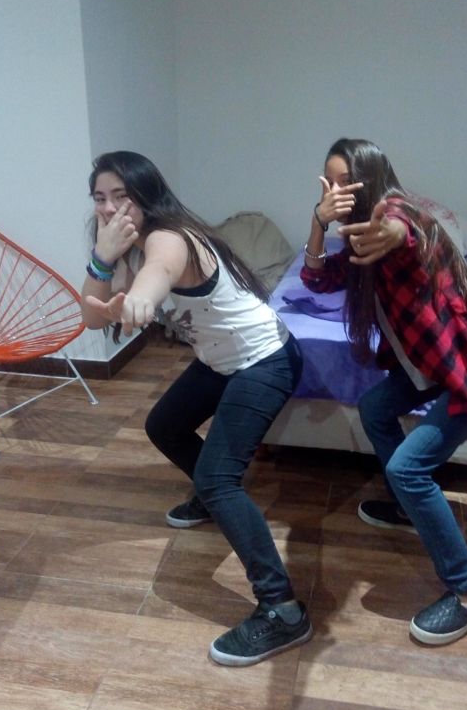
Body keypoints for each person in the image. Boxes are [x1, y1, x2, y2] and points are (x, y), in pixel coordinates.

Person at [81, 150, 312, 666]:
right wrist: (101, 258)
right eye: (99, 198)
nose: (109, 208)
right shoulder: (123, 245)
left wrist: (139, 299)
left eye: (121, 196)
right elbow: (92, 318)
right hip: (221, 360)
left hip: (265, 359)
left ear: (146, 195)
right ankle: (213, 500)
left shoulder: (168, 237)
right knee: (164, 426)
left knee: (217, 477)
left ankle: (283, 611)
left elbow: (158, 273)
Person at [301, 138, 467, 645]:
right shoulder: (357, 242)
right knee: (374, 408)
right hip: (432, 364)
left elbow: (408, 230)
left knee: (407, 467)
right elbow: (314, 280)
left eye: (346, 182)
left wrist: (390, 231)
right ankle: (406, 507)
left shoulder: (397, 215)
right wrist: (318, 221)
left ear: (370, 180)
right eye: (329, 183)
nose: (336, 192)